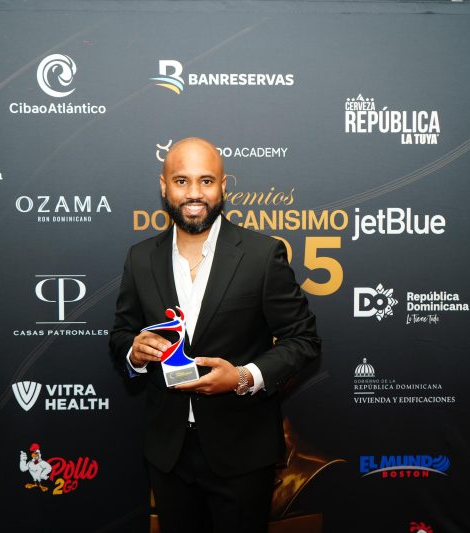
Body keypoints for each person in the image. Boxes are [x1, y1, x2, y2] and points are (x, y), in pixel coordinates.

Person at [109, 137, 321, 532]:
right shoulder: (140, 258)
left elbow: (303, 340)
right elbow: (122, 334)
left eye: (206, 181)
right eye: (182, 181)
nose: (194, 193)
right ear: (164, 186)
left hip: (242, 453)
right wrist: (134, 353)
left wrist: (242, 377)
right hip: (168, 453)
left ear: (223, 186)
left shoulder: (262, 255)